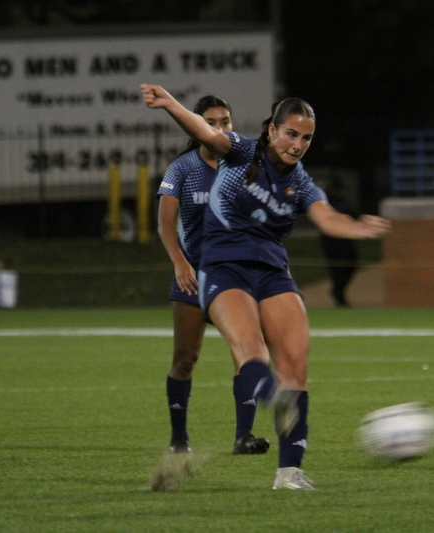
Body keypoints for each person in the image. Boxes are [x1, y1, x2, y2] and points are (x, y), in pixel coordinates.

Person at [141, 83, 392, 490]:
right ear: (272, 131)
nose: (298, 144)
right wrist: (170, 103)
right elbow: (205, 133)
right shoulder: (241, 151)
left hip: (273, 271)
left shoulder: (302, 182)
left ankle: (289, 473)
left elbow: (327, 219)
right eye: (291, 133)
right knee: (250, 349)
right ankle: (274, 400)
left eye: (306, 137)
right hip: (223, 268)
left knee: (296, 362)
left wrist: (358, 228)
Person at [156, 95, 271, 456]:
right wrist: (179, 262)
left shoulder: (246, 165)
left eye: (226, 121)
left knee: (248, 351)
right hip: (193, 277)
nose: (220, 128)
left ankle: (244, 436)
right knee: (186, 359)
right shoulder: (183, 169)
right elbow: (164, 224)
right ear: (197, 125)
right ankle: (179, 439)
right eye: (212, 121)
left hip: (235, 276)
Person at [319, 178, 359, 308]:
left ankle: (337, 291)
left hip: (346, 240)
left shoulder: (342, 202)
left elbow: (353, 216)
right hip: (333, 243)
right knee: (337, 270)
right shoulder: (326, 203)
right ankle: (339, 297)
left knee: (352, 265)